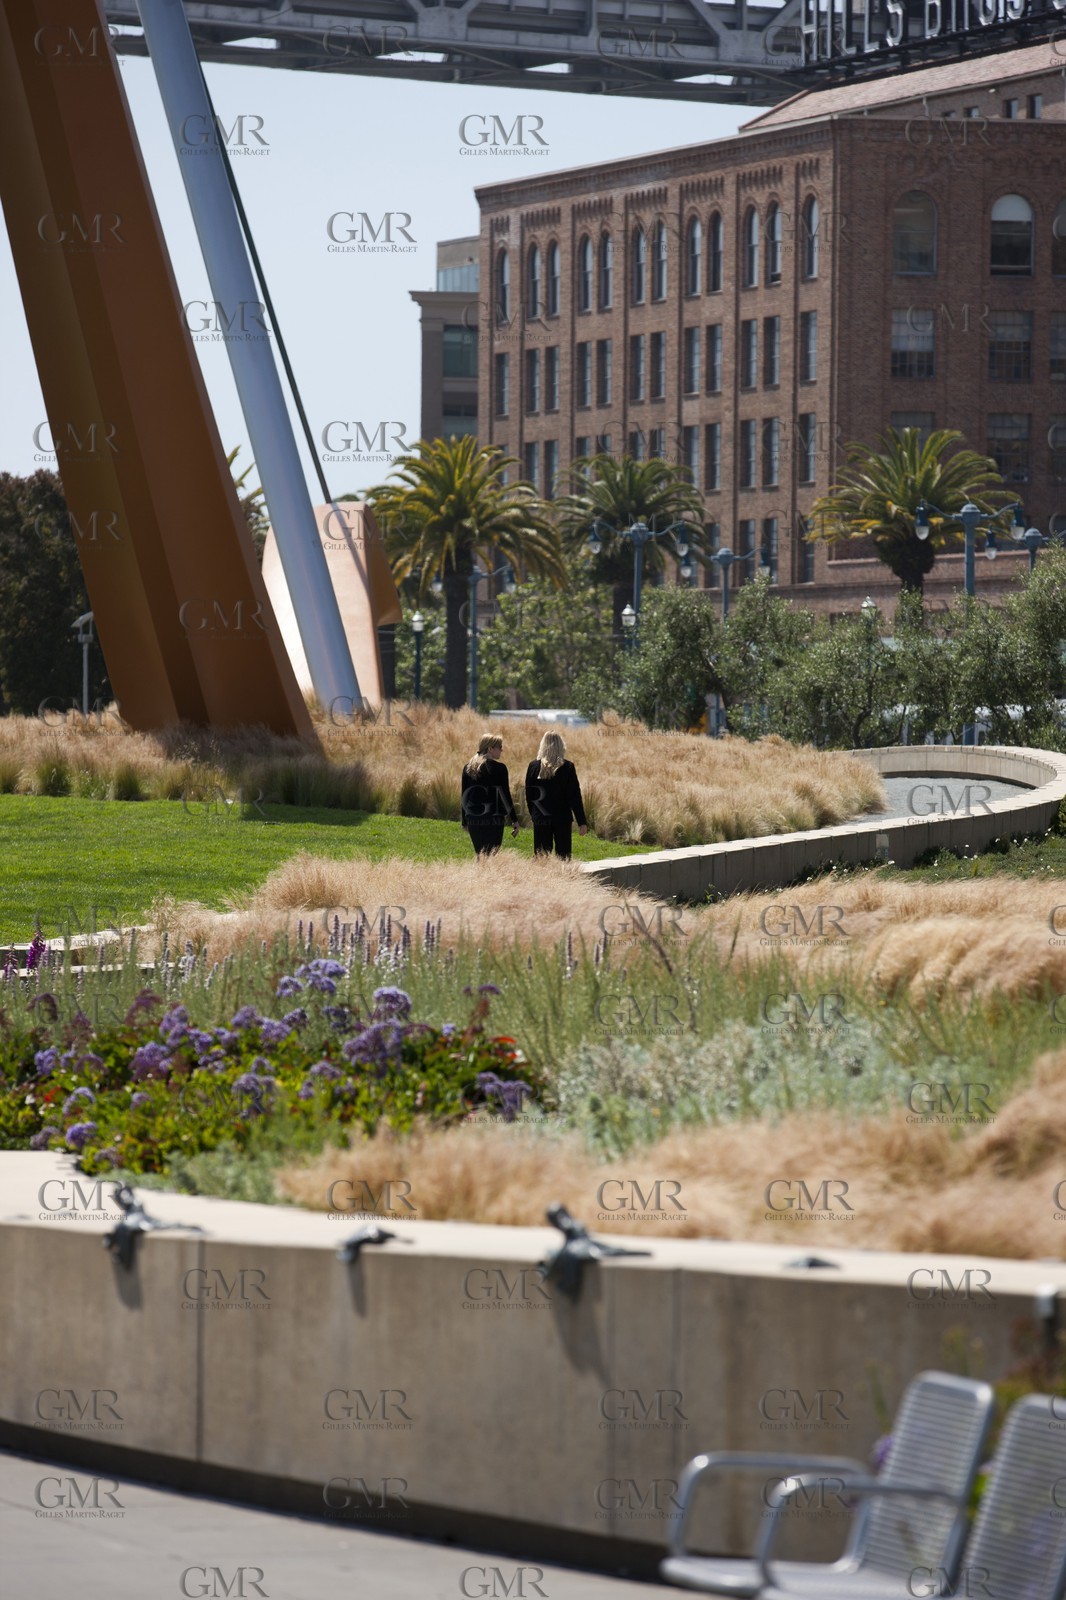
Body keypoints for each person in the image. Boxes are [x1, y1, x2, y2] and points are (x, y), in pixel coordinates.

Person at [525, 731, 588, 860]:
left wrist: (534, 814)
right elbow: (574, 796)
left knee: (541, 858)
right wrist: (581, 821)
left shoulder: (533, 766)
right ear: (561, 746)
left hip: (541, 817)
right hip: (562, 818)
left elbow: (529, 795)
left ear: (543, 745)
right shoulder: (568, 767)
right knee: (563, 857)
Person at [461, 733, 518, 857]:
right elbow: (505, 796)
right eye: (499, 747)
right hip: (494, 818)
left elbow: (464, 796)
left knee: (479, 855)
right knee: (492, 856)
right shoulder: (500, 769)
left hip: (473, 818)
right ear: (490, 749)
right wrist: (514, 819)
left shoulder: (468, 767)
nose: (502, 750)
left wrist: (464, 821)